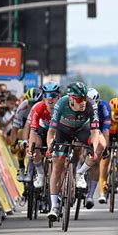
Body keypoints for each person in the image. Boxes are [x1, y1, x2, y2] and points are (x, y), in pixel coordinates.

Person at [46, 82, 104, 221]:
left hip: (81, 130)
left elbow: (95, 131)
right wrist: (50, 147)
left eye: (84, 98)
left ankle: (80, 172)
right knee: (57, 164)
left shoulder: (91, 104)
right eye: (79, 99)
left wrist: (93, 149)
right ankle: (54, 206)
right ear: (71, 98)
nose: (83, 102)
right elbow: (51, 131)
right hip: (63, 131)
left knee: (101, 145)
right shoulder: (61, 103)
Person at [27, 81, 61, 188]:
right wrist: (31, 148)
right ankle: (40, 173)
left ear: (58, 97)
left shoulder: (63, 107)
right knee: (35, 147)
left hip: (58, 131)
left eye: (53, 95)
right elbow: (33, 131)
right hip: (42, 130)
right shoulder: (37, 108)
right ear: (43, 97)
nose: (50, 98)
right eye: (47, 95)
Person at [85, 88, 111, 209]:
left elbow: (105, 129)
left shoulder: (104, 107)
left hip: (98, 130)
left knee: (96, 161)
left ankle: (90, 195)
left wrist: (105, 148)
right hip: (84, 128)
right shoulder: (81, 105)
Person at [9, 88, 42, 181]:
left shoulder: (45, 106)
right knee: (20, 138)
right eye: (31, 103)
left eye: (35, 103)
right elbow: (14, 129)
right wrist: (13, 144)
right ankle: (21, 167)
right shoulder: (22, 107)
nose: (33, 106)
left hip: (40, 128)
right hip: (26, 128)